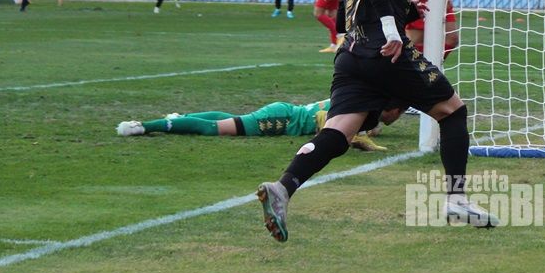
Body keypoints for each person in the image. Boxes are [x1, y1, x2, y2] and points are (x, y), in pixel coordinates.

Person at [255, 0, 496, 242]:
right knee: (453, 112)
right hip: (385, 53)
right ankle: (456, 200)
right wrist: (391, 29)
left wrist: (406, 9)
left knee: (339, 132)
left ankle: (283, 187)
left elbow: (346, 15)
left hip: (351, 56)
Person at [115, 97, 398, 152]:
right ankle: (145, 126)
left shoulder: (357, 100)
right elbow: (330, 126)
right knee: (217, 129)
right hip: (281, 120)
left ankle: (178, 119)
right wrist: (364, 141)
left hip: (284, 112)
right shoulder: (361, 113)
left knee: (228, 119)